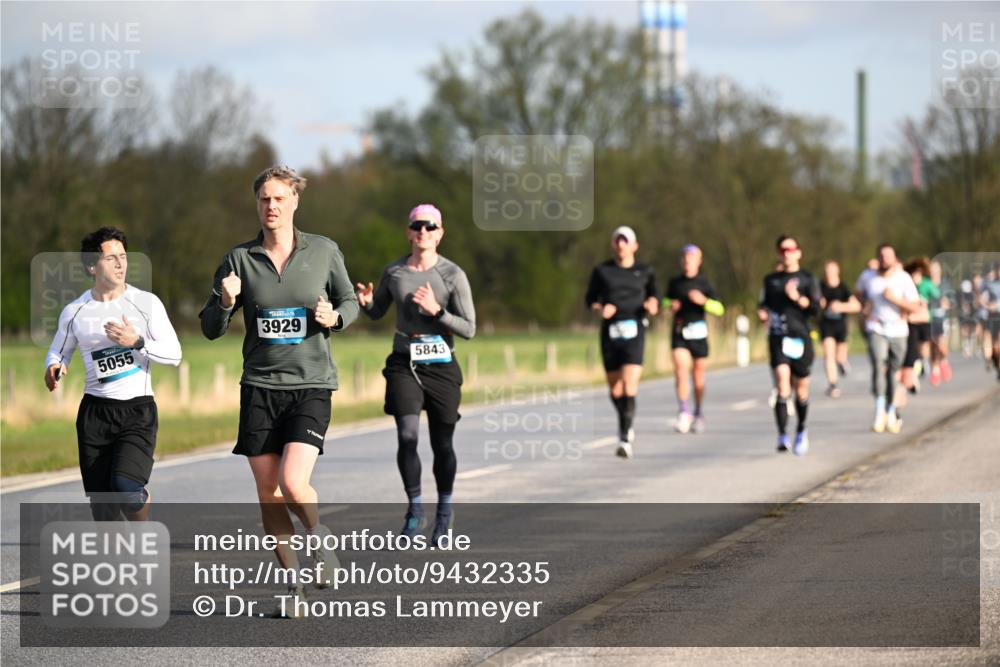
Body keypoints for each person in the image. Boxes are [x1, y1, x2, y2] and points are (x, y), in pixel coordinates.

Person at [200, 165, 359, 617]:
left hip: (310, 384)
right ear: (257, 204)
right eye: (264, 199)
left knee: (293, 482)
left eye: (279, 198)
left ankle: (319, 539)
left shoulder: (324, 251)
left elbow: (349, 301)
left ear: (295, 202)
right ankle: (293, 586)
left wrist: (336, 318)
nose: (271, 206)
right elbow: (211, 328)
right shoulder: (239, 259)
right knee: (267, 493)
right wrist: (225, 302)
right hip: (259, 388)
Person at [356, 204, 475, 547]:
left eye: (430, 226)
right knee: (408, 436)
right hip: (404, 362)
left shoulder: (453, 275)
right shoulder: (394, 272)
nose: (423, 231)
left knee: (442, 444)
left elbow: (469, 328)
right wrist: (366, 303)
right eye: (416, 226)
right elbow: (379, 311)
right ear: (408, 232)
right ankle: (414, 509)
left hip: (442, 365)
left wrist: (437, 312)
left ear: (440, 234)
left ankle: (445, 512)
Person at [44, 227, 182, 522]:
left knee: (127, 490)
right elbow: (58, 351)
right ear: (92, 266)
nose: (121, 263)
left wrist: (138, 342)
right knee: (104, 511)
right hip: (94, 415)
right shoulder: (75, 311)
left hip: (137, 411)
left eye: (123, 256)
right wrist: (53, 368)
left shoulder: (146, 303)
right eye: (111, 258)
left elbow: (174, 354)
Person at [585, 226, 659, 459]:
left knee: (629, 385)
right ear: (613, 244)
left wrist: (652, 306)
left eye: (625, 241)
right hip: (610, 333)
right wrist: (600, 309)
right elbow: (590, 300)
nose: (621, 245)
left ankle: (624, 437)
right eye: (617, 240)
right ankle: (625, 420)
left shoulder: (645, 271)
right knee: (615, 389)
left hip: (635, 330)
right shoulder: (602, 271)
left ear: (634, 245)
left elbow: (654, 297)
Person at [757, 235, 821, 455]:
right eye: (783, 249)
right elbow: (763, 304)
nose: (787, 253)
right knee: (783, 385)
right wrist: (762, 313)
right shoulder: (771, 280)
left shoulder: (807, 278)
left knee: (801, 389)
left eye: (791, 249)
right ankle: (782, 434)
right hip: (778, 337)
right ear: (778, 253)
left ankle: (801, 430)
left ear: (798, 252)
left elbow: (815, 309)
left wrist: (797, 297)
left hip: (801, 337)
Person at [861, 244, 921, 434]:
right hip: (876, 328)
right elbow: (857, 296)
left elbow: (915, 307)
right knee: (879, 364)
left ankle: (891, 410)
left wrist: (894, 299)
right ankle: (879, 411)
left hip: (898, 330)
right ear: (877, 258)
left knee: (894, 371)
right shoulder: (868, 277)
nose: (885, 259)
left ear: (894, 258)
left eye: (888, 256)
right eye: (881, 255)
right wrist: (865, 308)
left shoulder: (903, 278)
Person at [665, 244, 724, 433]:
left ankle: (698, 412)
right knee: (680, 369)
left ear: (699, 261)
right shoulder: (675, 283)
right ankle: (684, 411)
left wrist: (704, 301)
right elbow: (664, 301)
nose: (687, 261)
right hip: (679, 331)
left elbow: (719, 309)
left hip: (699, 333)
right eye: (684, 258)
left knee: (698, 376)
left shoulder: (705, 283)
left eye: (691, 258)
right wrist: (670, 304)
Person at [819, 260, 860, 398]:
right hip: (826, 324)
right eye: (827, 271)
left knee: (839, 356)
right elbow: (814, 302)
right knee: (828, 354)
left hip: (841, 324)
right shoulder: (820, 286)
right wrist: (820, 304)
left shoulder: (843, 288)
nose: (829, 274)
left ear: (837, 272)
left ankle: (842, 362)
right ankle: (833, 385)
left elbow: (856, 306)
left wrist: (840, 306)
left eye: (832, 271)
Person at [901, 257, 934, 394]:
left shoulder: (927, 284)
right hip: (911, 321)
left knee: (924, 346)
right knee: (912, 351)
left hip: (925, 320)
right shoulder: (906, 283)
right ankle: (913, 379)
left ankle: (923, 361)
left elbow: (936, 296)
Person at [927, 260, 953, 385]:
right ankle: (935, 370)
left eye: (936, 269)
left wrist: (948, 302)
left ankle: (943, 361)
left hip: (943, 319)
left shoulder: (945, 284)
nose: (934, 272)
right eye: (932, 269)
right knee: (932, 345)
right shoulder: (926, 284)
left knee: (942, 345)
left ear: (940, 270)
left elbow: (953, 299)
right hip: (930, 319)